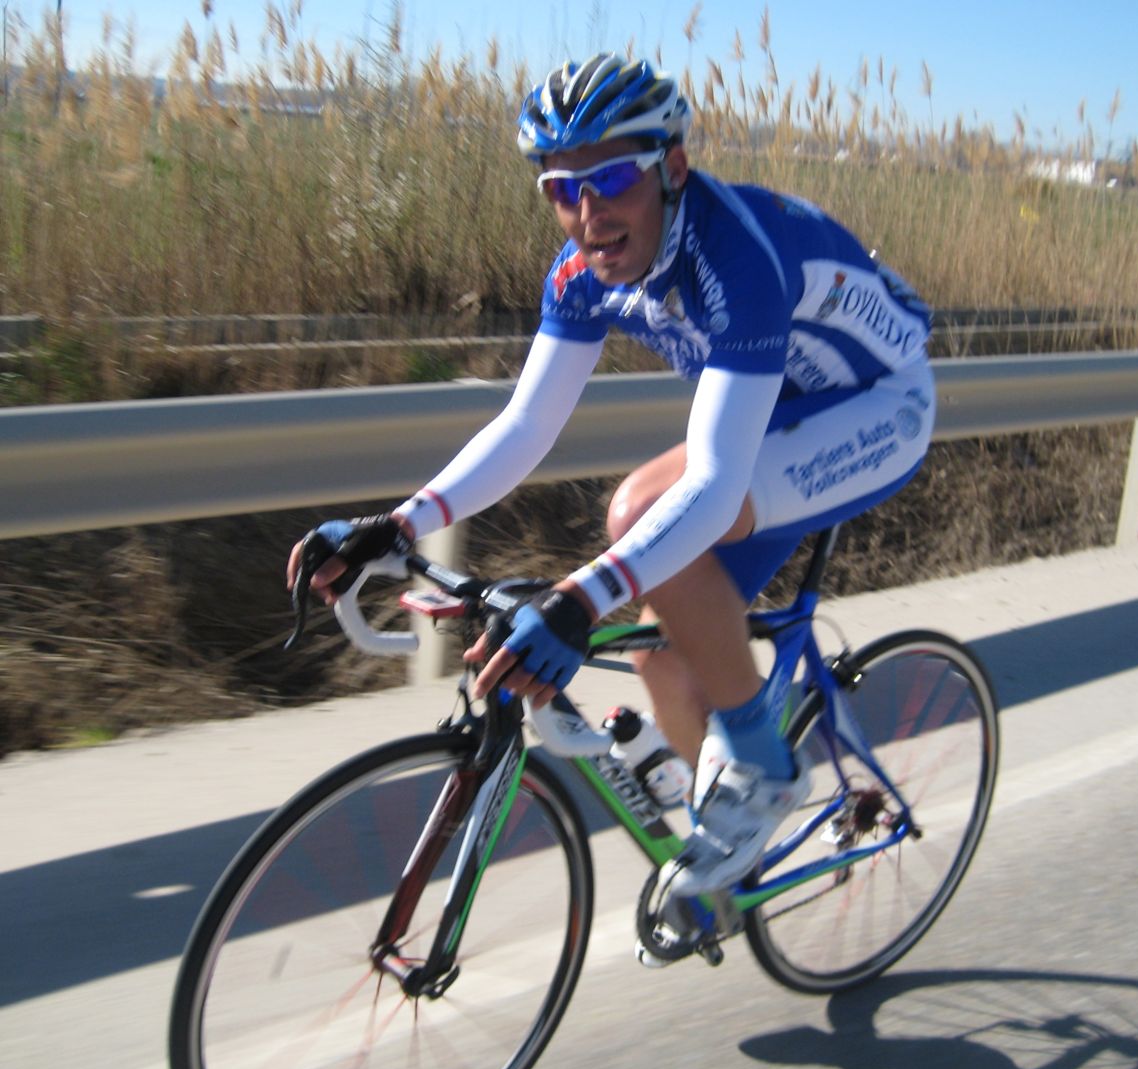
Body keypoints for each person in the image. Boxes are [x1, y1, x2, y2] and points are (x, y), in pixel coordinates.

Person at [287, 52, 935, 901]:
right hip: (774, 415)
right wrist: (402, 525)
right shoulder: (582, 271)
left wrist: (578, 600)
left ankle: (766, 768)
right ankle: (730, 857)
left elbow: (713, 482)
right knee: (663, 657)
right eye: (561, 188)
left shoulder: (734, 256)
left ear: (673, 168)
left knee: (638, 513)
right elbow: (526, 425)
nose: (588, 213)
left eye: (613, 179)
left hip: (877, 410)